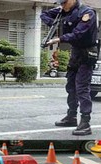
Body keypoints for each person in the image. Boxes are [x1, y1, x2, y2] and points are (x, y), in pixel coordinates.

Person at [43, 0, 97, 135]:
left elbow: (78, 33)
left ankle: (85, 123)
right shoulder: (63, 11)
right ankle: (71, 116)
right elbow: (44, 15)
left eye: (65, 2)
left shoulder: (87, 13)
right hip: (75, 52)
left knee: (82, 88)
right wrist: (56, 26)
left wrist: (59, 39)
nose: (62, 5)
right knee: (71, 86)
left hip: (87, 53)